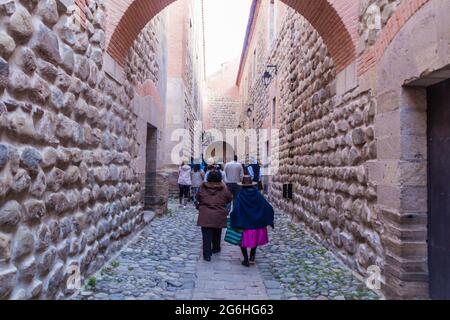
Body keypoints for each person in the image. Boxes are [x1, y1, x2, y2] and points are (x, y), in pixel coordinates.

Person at [230, 175, 274, 267]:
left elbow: (237, 208)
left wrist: (233, 217)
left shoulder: (241, 195)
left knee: (242, 241)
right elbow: (266, 206)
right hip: (256, 222)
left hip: (244, 223)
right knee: (255, 240)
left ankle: (246, 259)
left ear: (242, 185)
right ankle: (252, 256)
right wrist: (268, 216)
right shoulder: (257, 194)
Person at [196, 170, 233, 262]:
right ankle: (216, 248)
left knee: (206, 235)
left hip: (205, 213)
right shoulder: (224, 187)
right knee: (217, 231)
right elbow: (229, 198)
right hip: (219, 213)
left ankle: (207, 254)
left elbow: (197, 197)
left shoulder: (202, 186)